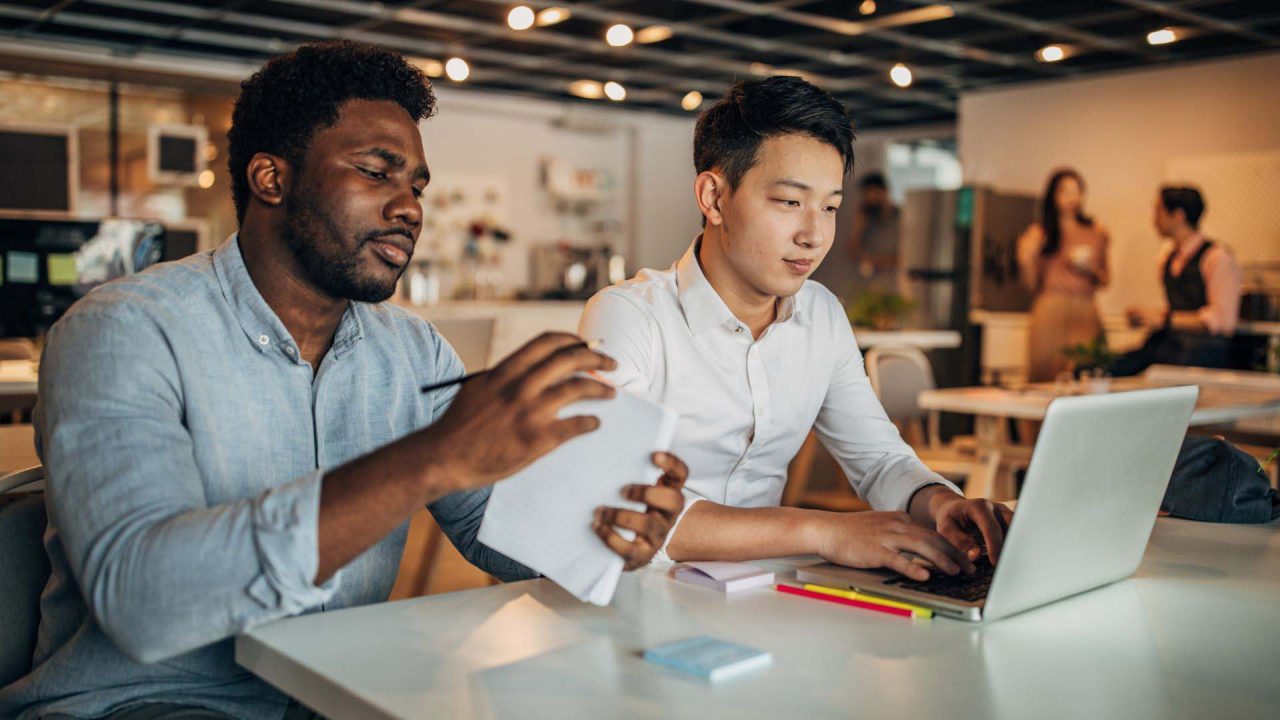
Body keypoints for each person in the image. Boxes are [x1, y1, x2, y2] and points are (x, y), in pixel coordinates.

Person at [0, 41, 687, 720]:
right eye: (376, 173)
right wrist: (432, 459)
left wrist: (602, 537)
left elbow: (494, 529)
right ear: (271, 179)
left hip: (339, 690)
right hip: (146, 703)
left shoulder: (413, 351)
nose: (411, 207)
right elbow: (144, 604)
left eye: (416, 185)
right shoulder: (122, 331)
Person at [579, 75, 1012, 582]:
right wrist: (824, 531)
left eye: (830, 207)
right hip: (627, 593)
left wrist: (938, 503)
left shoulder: (821, 315)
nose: (814, 235)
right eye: (789, 202)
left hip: (756, 596)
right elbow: (626, 507)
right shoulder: (630, 316)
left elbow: (878, 459)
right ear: (714, 198)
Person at [1117, 186, 1242, 374]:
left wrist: (1165, 319)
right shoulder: (1166, 259)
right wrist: (1150, 318)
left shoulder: (1216, 257)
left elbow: (1223, 321)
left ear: (1178, 215)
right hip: (1173, 346)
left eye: (1158, 211)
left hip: (1202, 353)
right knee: (1113, 367)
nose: (1154, 219)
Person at [1016, 168, 1110, 383]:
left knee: (1085, 370)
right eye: (1065, 192)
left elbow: (1105, 280)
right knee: (1046, 374)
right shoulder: (1040, 234)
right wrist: (1026, 260)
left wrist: (1090, 270)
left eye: (1076, 191)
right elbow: (1032, 285)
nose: (1071, 198)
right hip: (1050, 309)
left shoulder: (1096, 233)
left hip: (1085, 308)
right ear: (1053, 197)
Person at [811, 172, 900, 298]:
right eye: (867, 197)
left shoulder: (901, 219)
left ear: (885, 192)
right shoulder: (868, 219)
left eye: (874, 195)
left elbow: (905, 258)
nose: (871, 201)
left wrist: (874, 261)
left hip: (895, 286)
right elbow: (853, 253)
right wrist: (859, 226)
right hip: (869, 288)